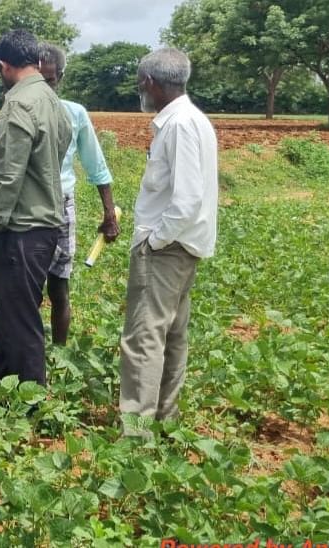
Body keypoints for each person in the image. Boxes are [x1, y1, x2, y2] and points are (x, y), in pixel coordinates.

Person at [119, 48, 218, 437]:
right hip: (185, 247)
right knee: (172, 336)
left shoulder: (178, 125)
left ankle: (135, 433)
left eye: (141, 83)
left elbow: (187, 198)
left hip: (167, 248)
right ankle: (165, 419)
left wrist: (155, 242)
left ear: (150, 83)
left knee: (143, 338)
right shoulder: (195, 120)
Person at [0, 30, 71, 386]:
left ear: (4, 65)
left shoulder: (18, 104)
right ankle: (1, 379)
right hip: (44, 224)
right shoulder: (52, 100)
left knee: (21, 316)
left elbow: (11, 176)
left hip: (23, 228)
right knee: (11, 309)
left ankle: (29, 396)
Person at [38, 43, 120, 345]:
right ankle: (32, 355)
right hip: (26, 209)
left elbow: (96, 165)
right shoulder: (18, 109)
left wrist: (109, 213)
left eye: (51, 80)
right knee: (29, 290)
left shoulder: (75, 113)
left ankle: (58, 353)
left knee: (59, 288)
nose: (45, 86)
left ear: (60, 77)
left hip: (61, 206)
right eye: (38, 79)